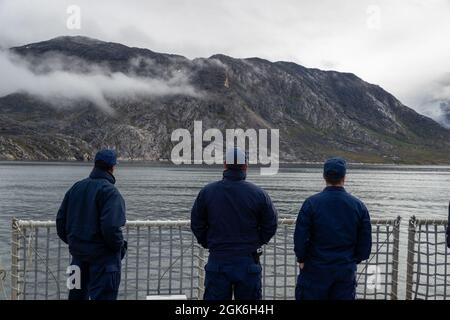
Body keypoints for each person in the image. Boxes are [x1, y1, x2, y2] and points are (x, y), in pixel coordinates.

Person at [191, 147, 278, 300]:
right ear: (245, 166)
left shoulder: (207, 192)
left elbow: (197, 223)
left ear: (225, 165)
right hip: (248, 261)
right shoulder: (259, 194)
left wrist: (208, 242)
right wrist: (257, 241)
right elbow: (270, 224)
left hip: (218, 260)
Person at [294, 157, 372, 300]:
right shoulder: (358, 206)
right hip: (344, 270)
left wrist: (302, 258)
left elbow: (300, 236)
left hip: (315, 269)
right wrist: (353, 260)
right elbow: (365, 244)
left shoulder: (311, 203)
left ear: (324, 176)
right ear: (344, 177)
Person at [56, 149, 127, 300]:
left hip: (77, 259)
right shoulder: (110, 192)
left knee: (75, 296)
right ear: (112, 167)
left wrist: (76, 243)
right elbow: (112, 228)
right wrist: (119, 247)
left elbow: (60, 223)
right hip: (104, 262)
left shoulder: (76, 188)